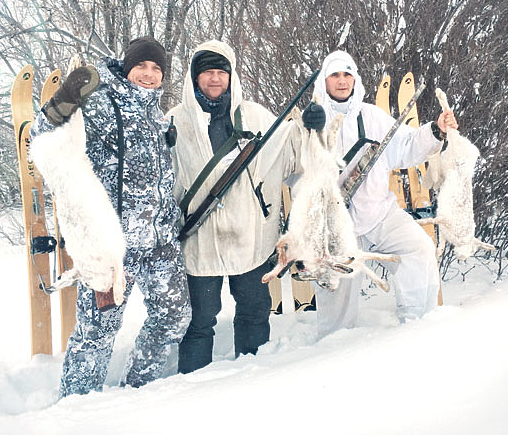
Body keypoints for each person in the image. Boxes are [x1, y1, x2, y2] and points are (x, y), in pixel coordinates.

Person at [30, 36, 191, 397]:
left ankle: (138, 389)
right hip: (113, 247)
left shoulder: (156, 112)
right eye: (141, 66)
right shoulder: (101, 100)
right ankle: (76, 406)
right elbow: (45, 138)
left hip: (159, 242)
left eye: (156, 69)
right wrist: (64, 100)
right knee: (96, 333)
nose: (148, 75)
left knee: (174, 317)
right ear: (127, 66)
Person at [167, 40, 305, 374]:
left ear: (231, 76)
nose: (214, 79)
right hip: (199, 238)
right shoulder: (174, 122)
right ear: (193, 77)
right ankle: (191, 387)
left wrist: (309, 126)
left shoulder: (255, 116)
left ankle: (252, 381)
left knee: (254, 311)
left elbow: (292, 153)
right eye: (207, 73)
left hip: (249, 235)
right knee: (199, 321)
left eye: (221, 72)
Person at [306, 50, 458, 335]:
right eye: (335, 75)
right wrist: (307, 134)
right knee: (337, 290)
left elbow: (405, 147)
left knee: (418, 248)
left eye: (347, 74)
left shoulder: (372, 117)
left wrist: (436, 131)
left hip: (378, 212)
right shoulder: (311, 119)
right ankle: (332, 351)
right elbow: (295, 172)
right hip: (335, 226)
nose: (342, 81)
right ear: (324, 81)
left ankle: (419, 324)